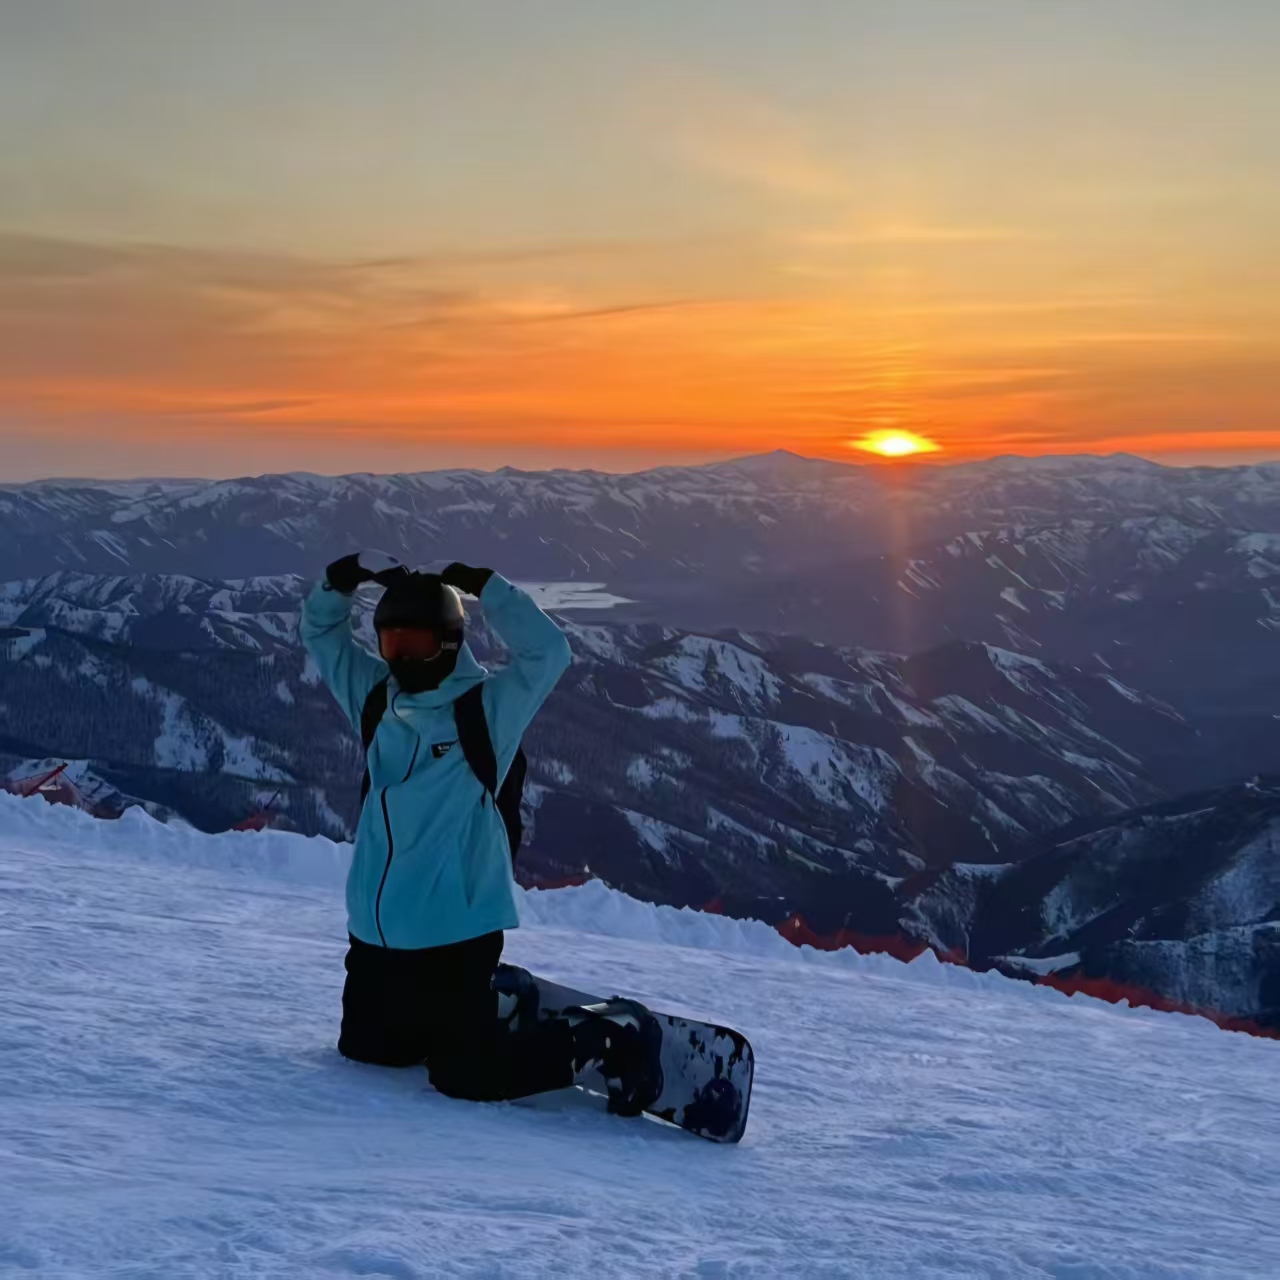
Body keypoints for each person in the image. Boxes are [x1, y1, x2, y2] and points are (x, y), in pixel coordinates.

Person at [300, 550, 650, 1107]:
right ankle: (495, 1005)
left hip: (454, 936)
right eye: (391, 643)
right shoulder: (375, 700)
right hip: (374, 935)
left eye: (414, 643)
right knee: (369, 1052)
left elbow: (548, 654)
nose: (402, 657)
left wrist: (490, 590)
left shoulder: (485, 709)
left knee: (462, 1075)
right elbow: (321, 633)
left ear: (447, 641)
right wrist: (340, 578)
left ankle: (608, 1035)